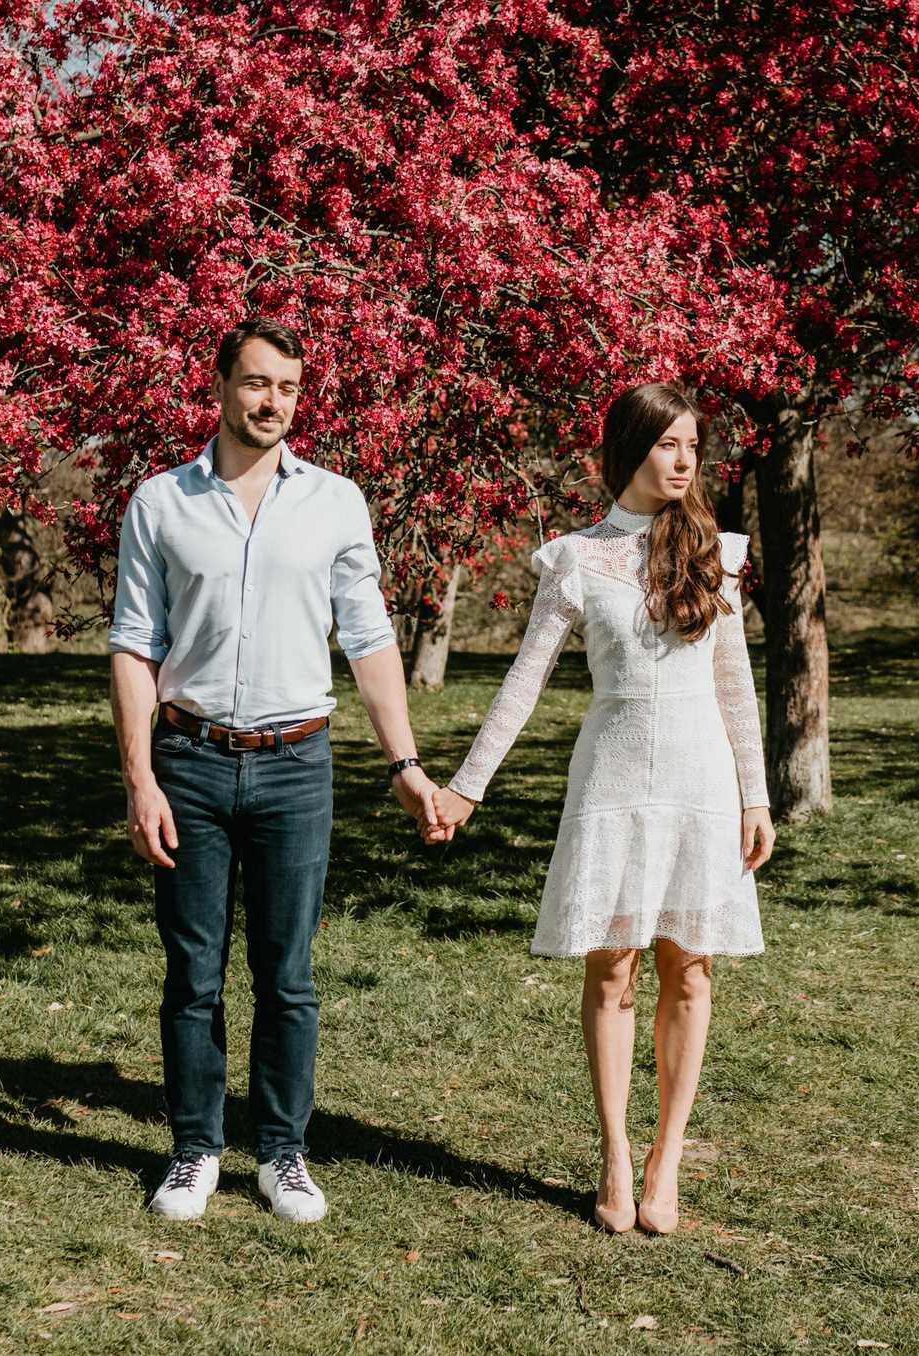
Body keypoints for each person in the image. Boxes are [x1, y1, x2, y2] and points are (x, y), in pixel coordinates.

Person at [107, 316, 445, 1224]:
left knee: (288, 975)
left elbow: (369, 639)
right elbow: (135, 649)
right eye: (257, 383)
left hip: (298, 765)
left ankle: (284, 1153)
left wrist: (405, 764)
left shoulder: (336, 502)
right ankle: (194, 1150)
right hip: (190, 762)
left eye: (289, 388)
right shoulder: (159, 503)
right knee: (194, 974)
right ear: (219, 386)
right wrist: (140, 779)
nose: (273, 403)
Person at [427, 381, 778, 1234]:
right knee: (612, 968)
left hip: (702, 781)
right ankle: (616, 1156)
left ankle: (668, 1157)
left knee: (689, 967)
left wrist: (756, 794)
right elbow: (523, 684)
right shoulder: (575, 559)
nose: (686, 459)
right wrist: (467, 787)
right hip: (612, 781)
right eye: (667, 444)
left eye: (693, 445)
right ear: (628, 452)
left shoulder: (720, 554)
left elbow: (734, 685)